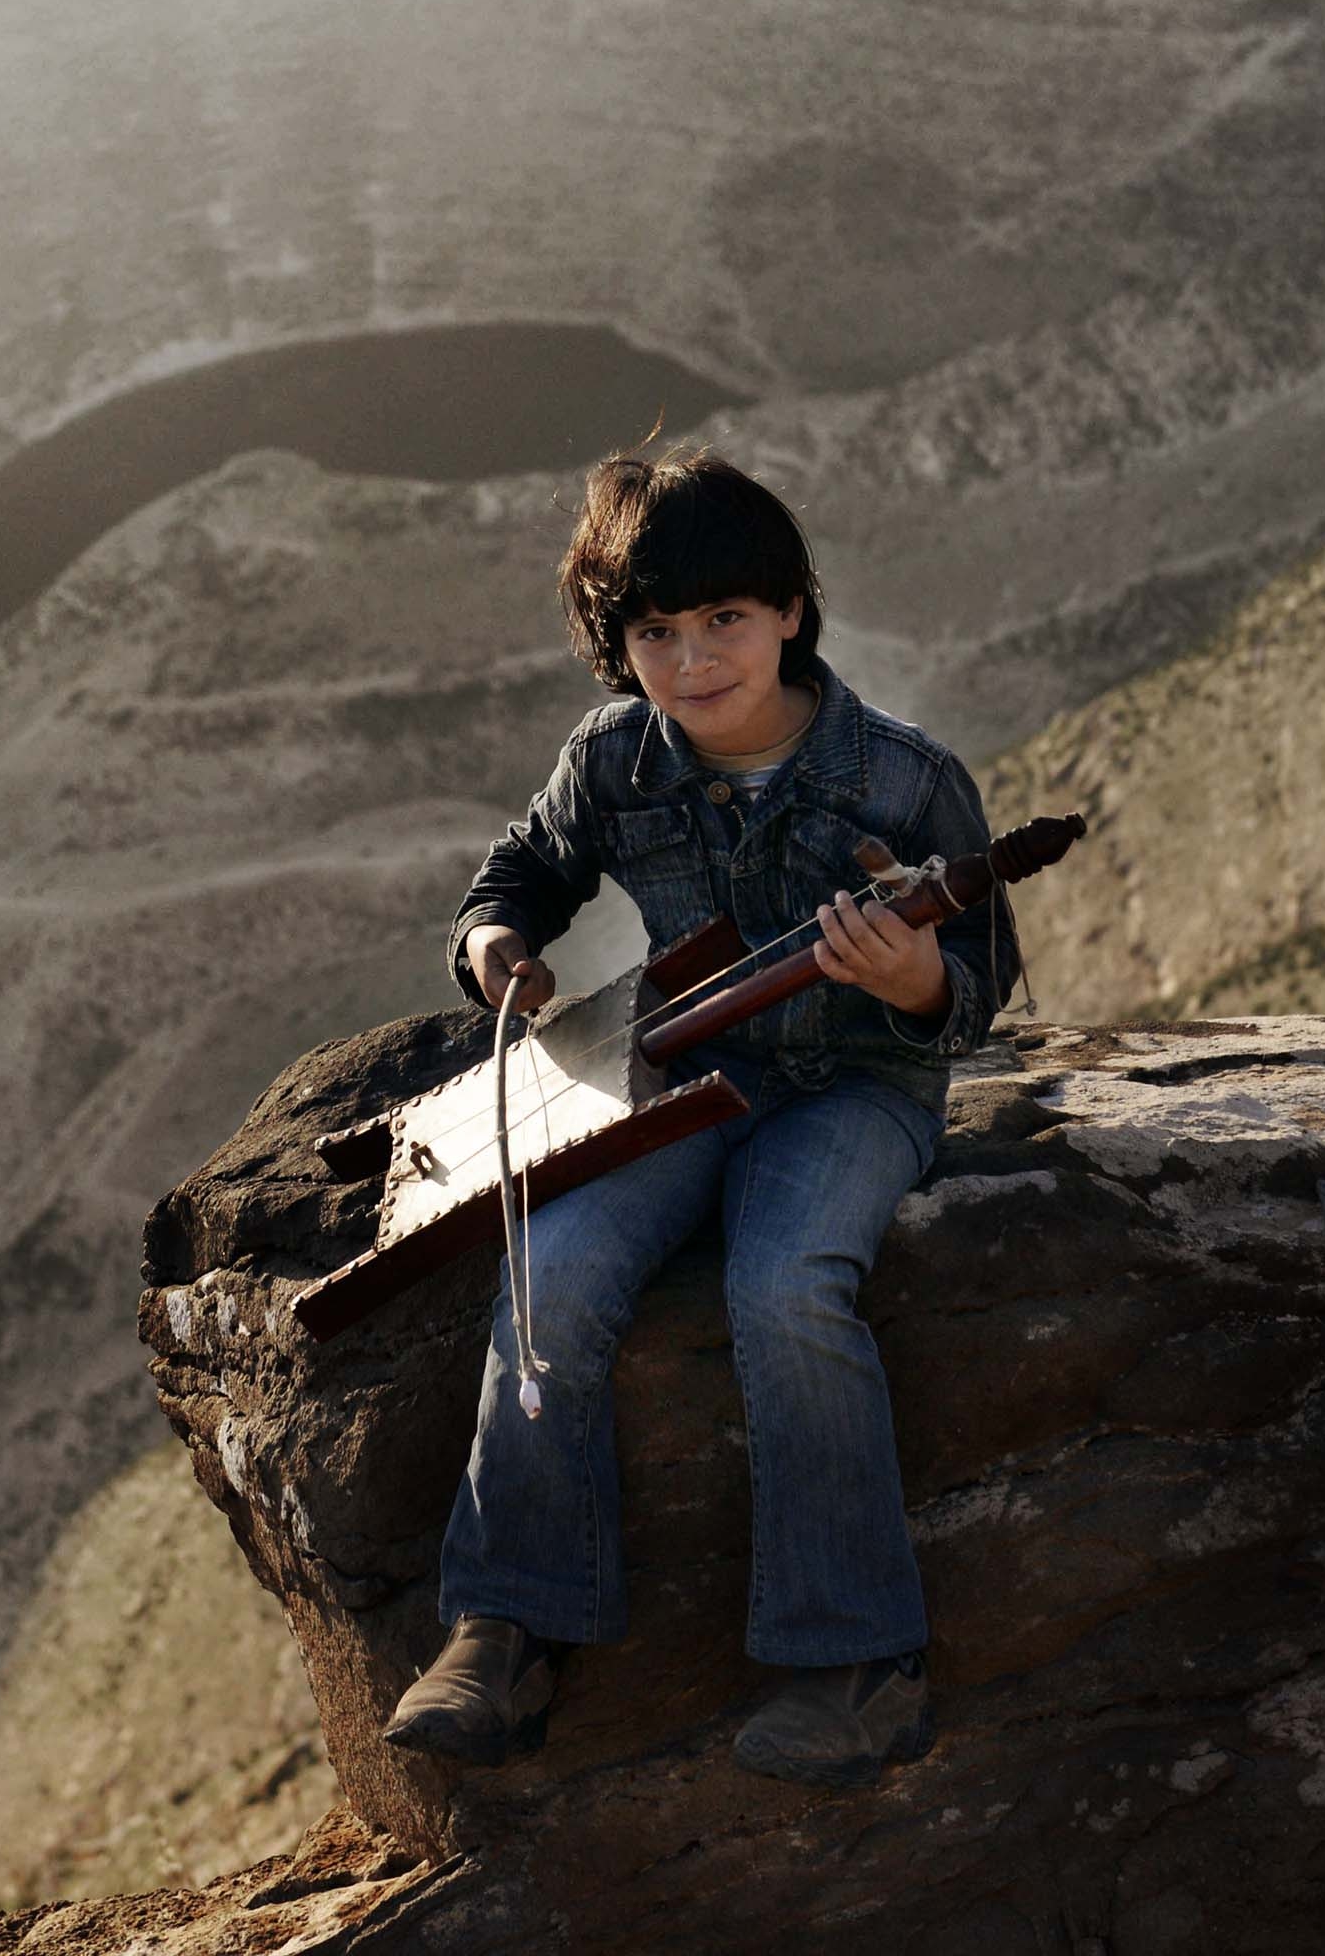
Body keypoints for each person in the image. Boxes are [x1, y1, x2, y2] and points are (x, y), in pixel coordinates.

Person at [381, 442, 1013, 1790]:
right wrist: (495, 945)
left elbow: (978, 998)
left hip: (855, 1089)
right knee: (546, 1268)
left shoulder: (906, 781)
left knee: (787, 1286)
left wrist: (910, 978)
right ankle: (507, 1630)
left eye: (725, 618)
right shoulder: (616, 757)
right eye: (654, 632)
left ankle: (860, 1664)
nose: (692, 660)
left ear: (792, 610)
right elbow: (522, 871)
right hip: (679, 1072)